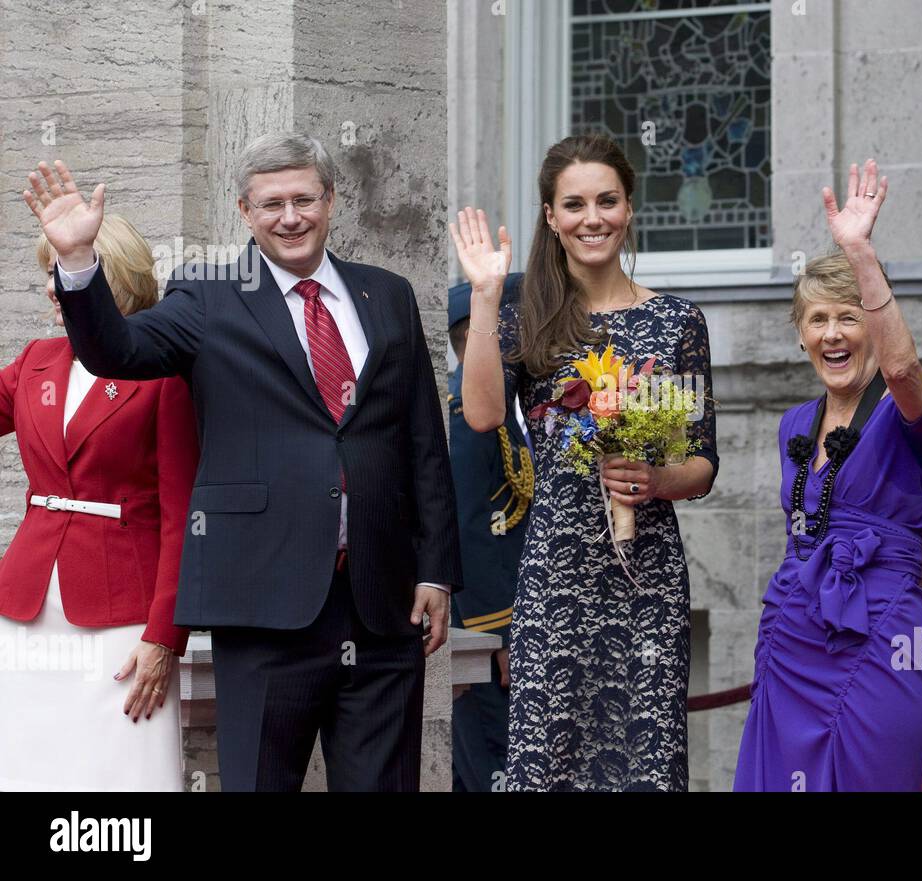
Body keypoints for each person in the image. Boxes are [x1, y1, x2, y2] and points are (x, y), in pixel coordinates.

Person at [23, 132, 463, 792]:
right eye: (271, 204)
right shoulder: (207, 294)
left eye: (304, 198)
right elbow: (118, 351)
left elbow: (422, 439)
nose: (290, 216)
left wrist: (435, 568)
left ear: (331, 199)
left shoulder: (387, 294)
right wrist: (79, 260)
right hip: (263, 603)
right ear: (244, 211)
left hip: (381, 604)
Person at [452, 134, 718, 791]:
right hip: (557, 574)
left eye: (607, 200)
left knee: (645, 760)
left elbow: (702, 462)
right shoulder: (529, 316)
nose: (591, 217)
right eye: (574, 204)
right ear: (551, 216)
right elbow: (482, 412)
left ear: (628, 208)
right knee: (551, 762)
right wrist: (486, 295)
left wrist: (656, 479)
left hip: (647, 578)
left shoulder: (677, 321)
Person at [733, 160, 922, 791]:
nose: (833, 334)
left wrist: (861, 254)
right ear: (801, 335)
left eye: (849, 317)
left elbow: (904, 371)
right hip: (792, 631)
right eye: (818, 320)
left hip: (880, 632)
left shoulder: (912, 406)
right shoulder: (794, 425)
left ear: (872, 327)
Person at [0, 216, 199, 791]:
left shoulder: (166, 372)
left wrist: (164, 636)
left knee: (121, 774)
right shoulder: (37, 358)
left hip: (124, 620)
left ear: (109, 279)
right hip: (27, 611)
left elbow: (182, 516)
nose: (49, 288)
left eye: (61, 271)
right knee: (26, 763)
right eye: (49, 272)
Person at [447, 272, 531, 791]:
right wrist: (493, 634)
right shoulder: (465, 409)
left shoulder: (507, 402)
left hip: (516, 615)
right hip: (488, 628)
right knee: (491, 761)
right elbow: (467, 526)